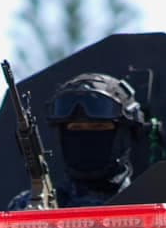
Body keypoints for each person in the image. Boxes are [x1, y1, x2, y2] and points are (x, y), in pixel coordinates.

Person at [9, 72, 147, 207]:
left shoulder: (153, 203)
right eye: (76, 127)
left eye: (99, 127)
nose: (87, 137)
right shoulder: (30, 206)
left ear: (126, 132)